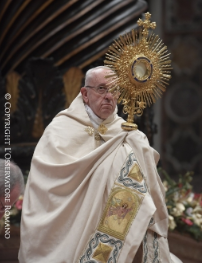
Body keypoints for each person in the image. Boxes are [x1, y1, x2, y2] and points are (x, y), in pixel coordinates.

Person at [19, 66, 182, 263]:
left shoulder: (128, 135)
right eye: (101, 89)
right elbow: (47, 184)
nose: (108, 96)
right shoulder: (59, 130)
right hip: (70, 227)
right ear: (85, 94)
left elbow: (149, 188)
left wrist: (138, 147)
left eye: (114, 90)